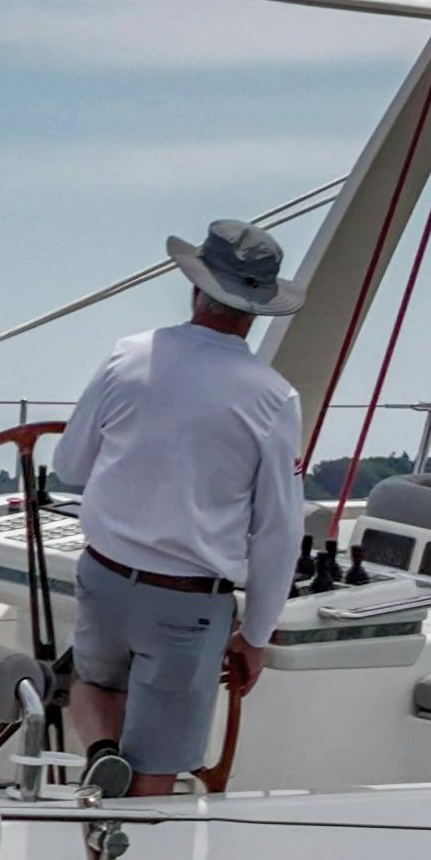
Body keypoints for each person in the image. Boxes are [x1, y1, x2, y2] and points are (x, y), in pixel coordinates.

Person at [54, 219, 309, 798]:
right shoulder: (273, 398)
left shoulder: (129, 355)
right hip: (187, 604)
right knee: (158, 762)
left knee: (93, 684)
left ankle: (99, 754)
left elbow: (70, 466)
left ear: (196, 287)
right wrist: (258, 634)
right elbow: (277, 531)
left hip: (106, 573)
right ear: (259, 309)